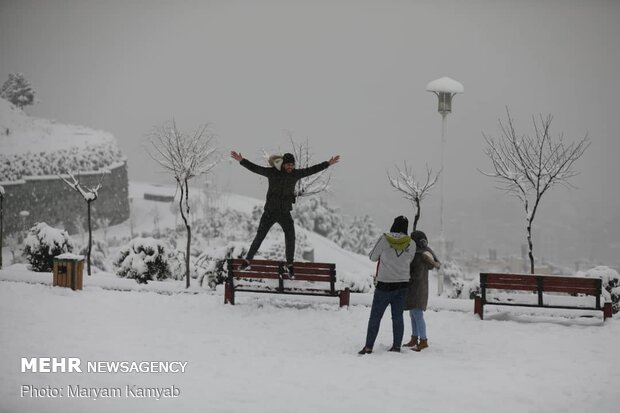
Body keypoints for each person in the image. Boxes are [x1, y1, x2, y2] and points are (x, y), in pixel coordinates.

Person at [230, 150, 340, 277]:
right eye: (288, 165)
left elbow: (312, 170)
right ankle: (248, 260)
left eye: (292, 165)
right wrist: (242, 161)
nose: (290, 167)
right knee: (260, 236)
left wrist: (327, 163)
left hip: (284, 213)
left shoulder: (295, 174)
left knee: (290, 236)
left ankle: (289, 264)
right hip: (269, 212)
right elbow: (256, 168)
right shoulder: (272, 172)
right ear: (283, 164)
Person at [359, 216, 416, 354]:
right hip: (402, 284)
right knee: (397, 317)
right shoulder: (412, 243)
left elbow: (372, 257)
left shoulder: (385, 239)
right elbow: (410, 260)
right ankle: (396, 346)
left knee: (375, 317)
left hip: (384, 284)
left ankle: (368, 347)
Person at [403, 230, 440, 352]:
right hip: (419, 288)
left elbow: (414, 273)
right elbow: (436, 263)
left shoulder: (418, 255)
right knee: (413, 313)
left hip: (416, 288)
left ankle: (423, 340)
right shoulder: (426, 252)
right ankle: (414, 338)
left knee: (417, 314)